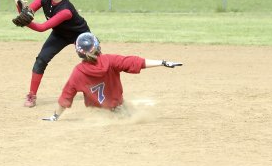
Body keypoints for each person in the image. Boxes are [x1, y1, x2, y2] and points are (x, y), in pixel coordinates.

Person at [42, 32, 182, 121]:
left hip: (97, 115)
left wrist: (55, 116)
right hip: (119, 109)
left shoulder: (78, 72)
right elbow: (135, 62)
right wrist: (162, 62)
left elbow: (66, 97)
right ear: (97, 46)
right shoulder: (110, 60)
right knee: (130, 114)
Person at [13, 0, 91, 107]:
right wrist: (20, 7)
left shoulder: (66, 10)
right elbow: (27, 15)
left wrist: (24, 21)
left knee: (94, 61)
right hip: (59, 34)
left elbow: (41, 28)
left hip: (79, 34)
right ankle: (32, 95)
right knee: (41, 60)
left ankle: (102, 88)